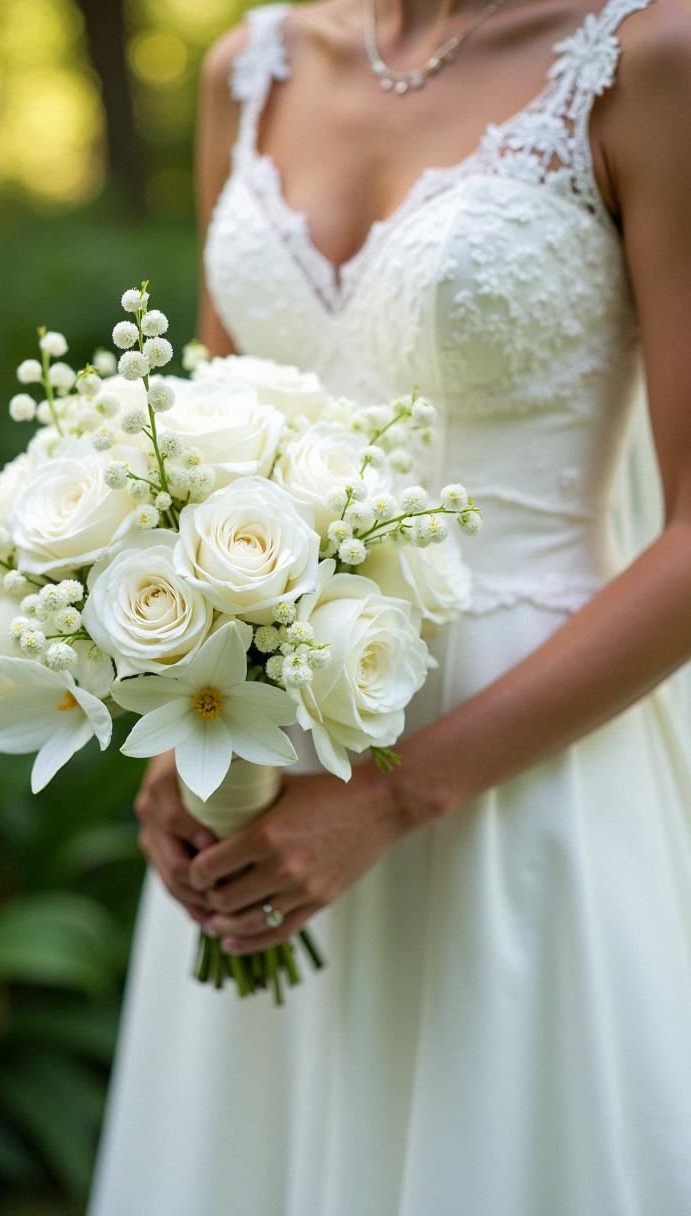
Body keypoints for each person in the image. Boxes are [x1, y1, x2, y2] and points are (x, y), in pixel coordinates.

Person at [88, 0, 691, 1211]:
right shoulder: (248, 69)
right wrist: (172, 723)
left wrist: (391, 792)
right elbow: (212, 453)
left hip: (523, 758)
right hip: (264, 775)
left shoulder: (649, 60)